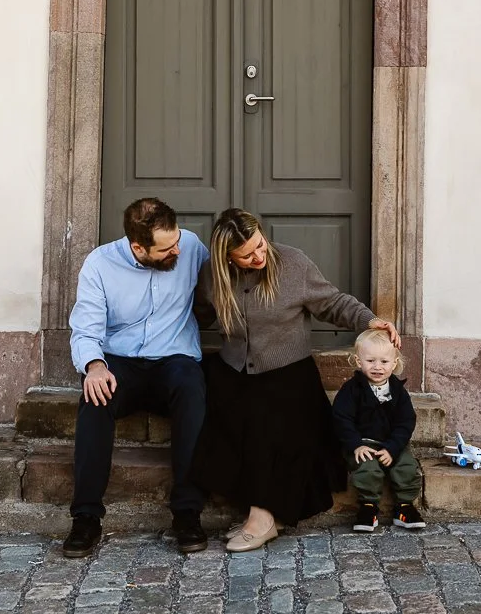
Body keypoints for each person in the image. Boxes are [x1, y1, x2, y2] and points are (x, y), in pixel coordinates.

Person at [190, 207, 399, 552]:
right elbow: (197, 313)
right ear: (226, 258)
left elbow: (331, 302)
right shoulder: (213, 274)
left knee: (265, 416)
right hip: (235, 367)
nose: (258, 256)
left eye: (259, 245)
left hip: (287, 370)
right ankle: (236, 508)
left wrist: (369, 320)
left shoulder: (292, 262)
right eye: (246, 256)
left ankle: (265, 516)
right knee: (213, 406)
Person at [63, 197, 210, 558]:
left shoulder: (190, 246)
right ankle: (86, 517)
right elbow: (85, 329)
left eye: (177, 240)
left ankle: (187, 513)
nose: (178, 249)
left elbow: (223, 286)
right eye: (166, 247)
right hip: (121, 364)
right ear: (138, 247)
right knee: (94, 397)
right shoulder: (100, 264)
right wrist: (94, 366)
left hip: (174, 360)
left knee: (193, 386)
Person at [331, 328, 425, 532]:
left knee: (406, 466)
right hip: (362, 443)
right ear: (358, 361)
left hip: (391, 443)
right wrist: (355, 445)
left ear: (394, 364)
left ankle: (404, 507)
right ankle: (368, 507)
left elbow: (406, 421)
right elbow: (341, 419)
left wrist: (392, 448)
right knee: (367, 468)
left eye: (384, 362)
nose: (377, 367)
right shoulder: (352, 390)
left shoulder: (398, 391)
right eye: (370, 360)